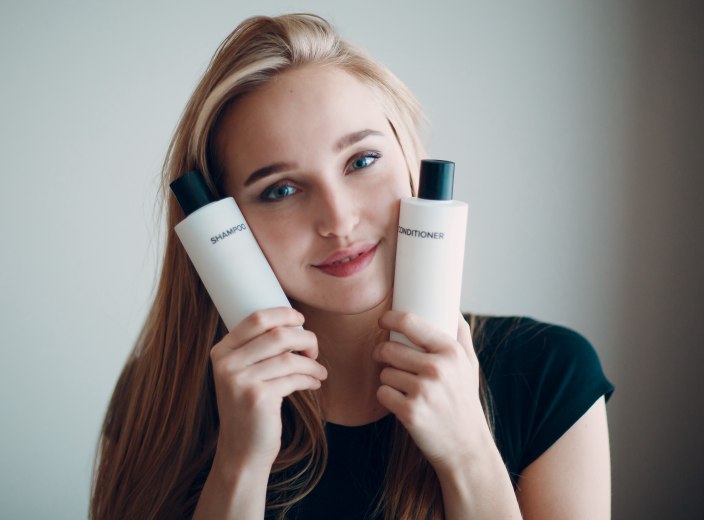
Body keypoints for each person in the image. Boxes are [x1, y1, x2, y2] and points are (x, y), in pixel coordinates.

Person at [91, 13, 614, 520]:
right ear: (224, 225)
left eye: (361, 161)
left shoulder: (551, 373)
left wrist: (469, 455)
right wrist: (239, 467)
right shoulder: (157, 398)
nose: (339, 220)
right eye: (281, 190)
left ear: (409, 159)